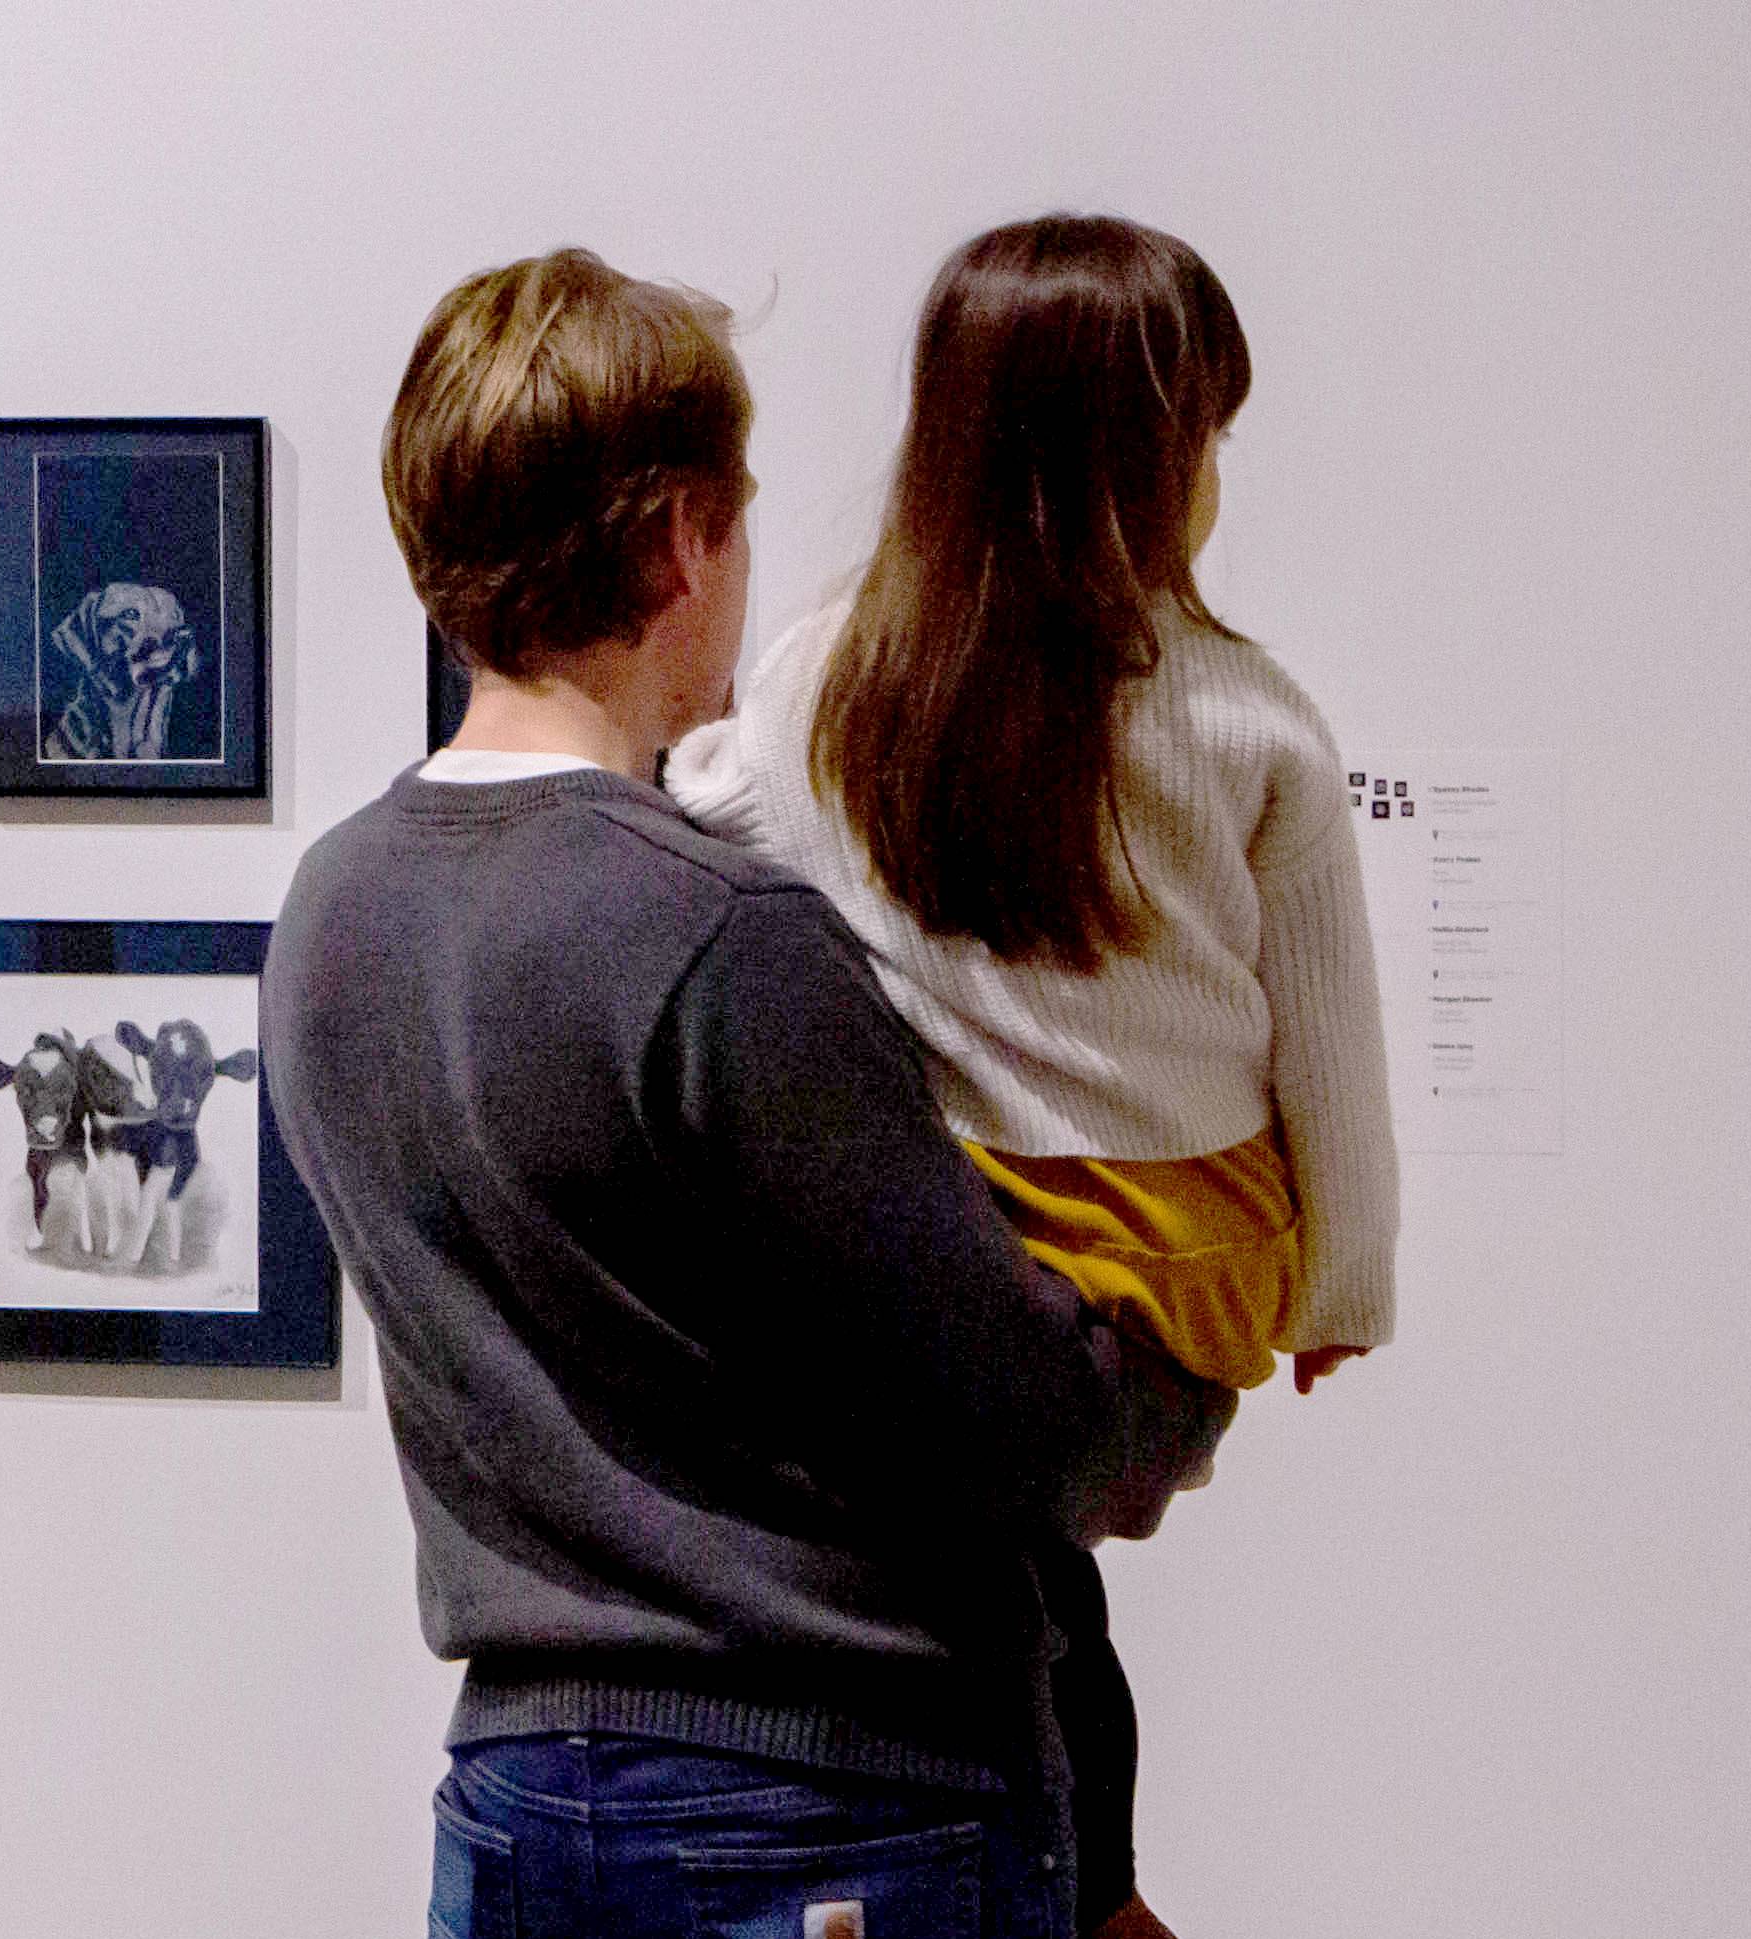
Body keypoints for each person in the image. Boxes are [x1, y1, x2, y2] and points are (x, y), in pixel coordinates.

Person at [263, 247, 1233, 1939]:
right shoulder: (713, 930)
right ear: (677, 537)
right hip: (822, 1816)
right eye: (743, 513)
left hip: (510, 1800)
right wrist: (1203, 1347)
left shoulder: (334, 912)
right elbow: (1025, 1429)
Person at [668, 212, 1400, 1934]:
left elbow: (704, 821)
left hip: (967, 1276)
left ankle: (1087, 1881)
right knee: (1024, 1571)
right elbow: (1336, 1056)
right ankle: (1102, 1889)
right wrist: (1343, 1292)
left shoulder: (829, 682)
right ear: (1153, 462)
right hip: (1182, 1288)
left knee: (984, 1555)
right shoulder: (1249, 719)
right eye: (1205, 437)